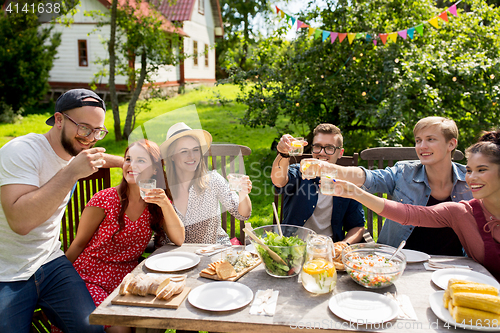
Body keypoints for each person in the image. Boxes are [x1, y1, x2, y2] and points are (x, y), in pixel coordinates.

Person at [0, 89, 123, 333]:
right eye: (84, 128)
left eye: (98, 131)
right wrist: (71, 172)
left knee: (92, 329)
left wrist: (130, 162)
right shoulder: (20, 152)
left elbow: (100, 157)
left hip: (50, 261)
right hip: (7, 271)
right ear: (59, 120)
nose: (90, 139)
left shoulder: (73, 149)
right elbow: (20, 223)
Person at [326, 129, 500, 281]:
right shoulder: (462, 211)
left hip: (456, 269)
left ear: (451, 144)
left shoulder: (465, 191)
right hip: (402, 264)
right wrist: (350, 187)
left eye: (481, 170)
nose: (471, 178)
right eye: (469, 170)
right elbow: (409, 214)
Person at [51, 140, 184, 333]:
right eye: (128, 159)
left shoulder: (155, 202)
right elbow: (78, 245)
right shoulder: (104, 200)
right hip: (90, 276)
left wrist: (166, 204)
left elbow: (179, 239)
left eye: (140, 161)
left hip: (127, 279)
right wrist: (57, 282)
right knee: (121, 328)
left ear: (155, 170)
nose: (131, 166)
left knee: (152, 321)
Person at [329, 117, 471, 256]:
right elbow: (371, 178)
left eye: (430, 139)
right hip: (399, 261)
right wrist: (330, 169)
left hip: (454, 266)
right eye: (418, 140)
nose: (422, 146)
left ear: (451, 144)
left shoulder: (471, 180)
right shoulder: (404, 173)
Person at [159, 122, 252, 245]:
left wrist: (243, 194)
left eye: (195, 150)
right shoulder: (161, 187)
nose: (191, 156)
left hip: (212, 253)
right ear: (171, 156)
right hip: (175, 256)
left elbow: (242, 214)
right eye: (184, 151)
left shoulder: (212, 180)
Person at [271, 123, 365, 244]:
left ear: (340, 153)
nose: (322, 152)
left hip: (327, 251)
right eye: (317, 146)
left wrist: (343, 244)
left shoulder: (348, 183)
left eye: (330, 148)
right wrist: (283, 154)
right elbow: (278, 181)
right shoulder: (299, 172)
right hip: (292, 247)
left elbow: (357, 226)